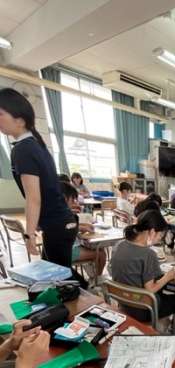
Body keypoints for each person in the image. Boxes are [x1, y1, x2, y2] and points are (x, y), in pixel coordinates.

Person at [0, 88, 77, 268]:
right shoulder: (33, 145)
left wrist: (29, 235)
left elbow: (33, 198)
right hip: (60, 223)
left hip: (58, 224)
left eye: (0, 114)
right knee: (55, 274)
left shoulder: (23, 149)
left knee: (59, 277)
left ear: (20, 120)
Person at [111, 210, 175, 331]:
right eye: (160, 236)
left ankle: (166, 318)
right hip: (143, 309)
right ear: (151, 232)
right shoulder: (148, 254)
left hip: (123, 302)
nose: (159, 240)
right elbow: (150, 290)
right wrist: (168, 276)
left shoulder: (118, 245)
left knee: (162, 285)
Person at [61, 182, 106, 278]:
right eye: (72, 200)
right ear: (65, 198)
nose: (74, 203)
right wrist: (82, 227)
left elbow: (68, 226)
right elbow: (68, 228)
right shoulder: (63, 214)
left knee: (99, 248)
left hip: (67, 248)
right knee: (101, 254)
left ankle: (93, 273)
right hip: (68, 251)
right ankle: (96, 279)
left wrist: (83, 226)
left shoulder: (60, 211)